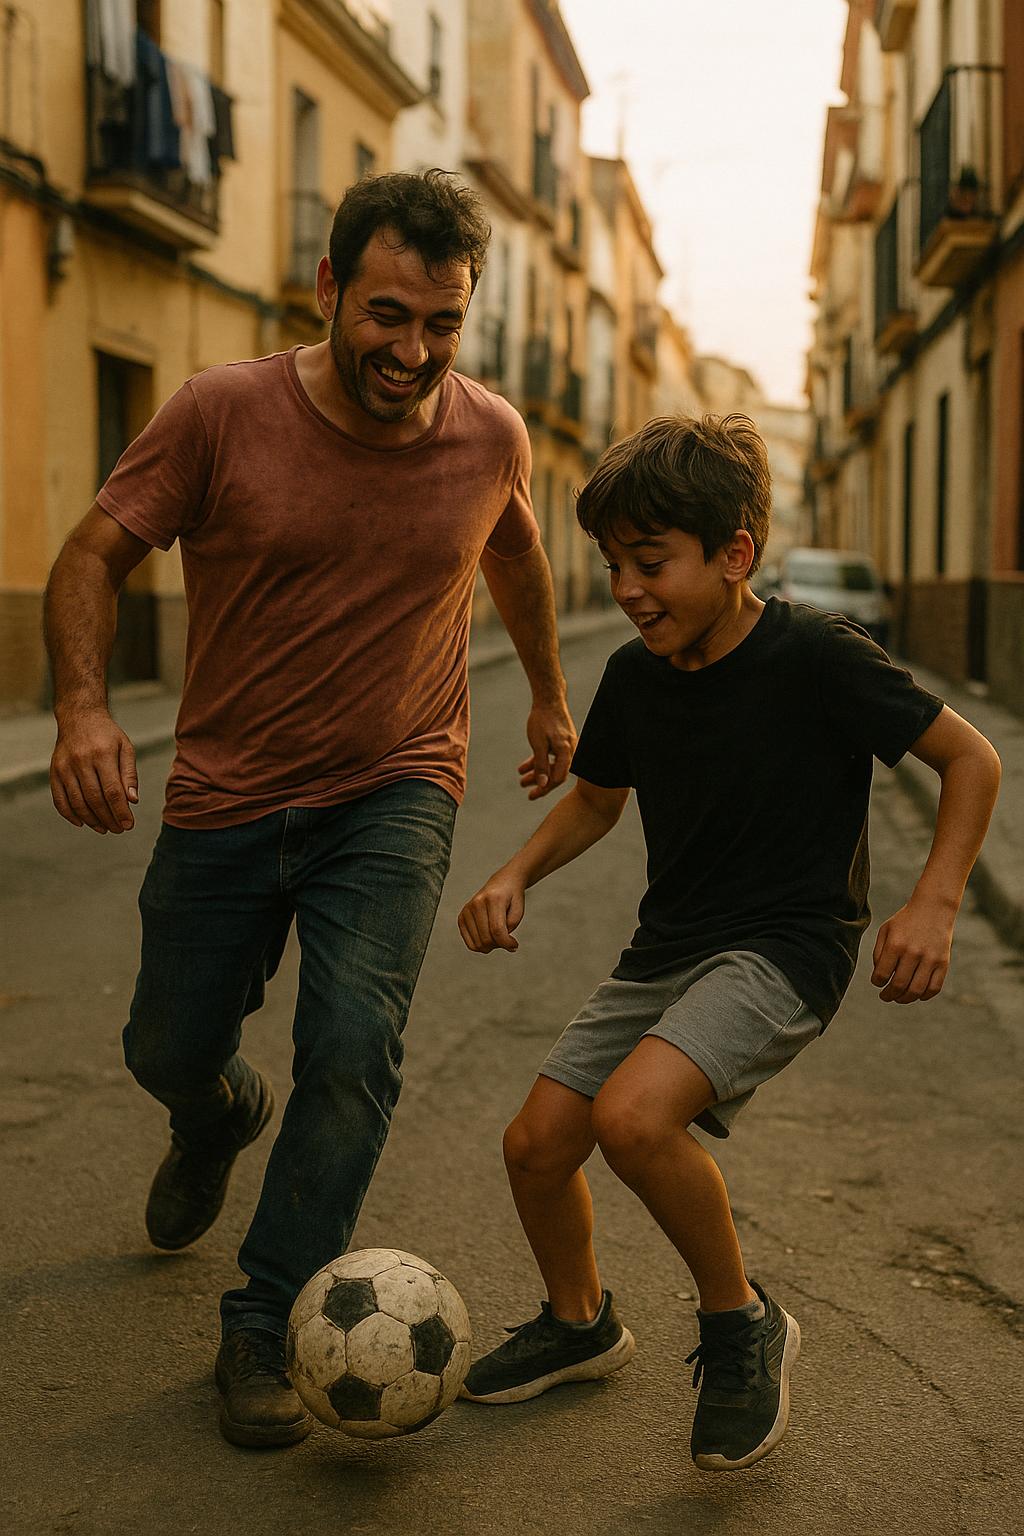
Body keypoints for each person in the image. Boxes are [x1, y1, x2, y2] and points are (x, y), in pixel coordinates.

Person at [44, 170, 576, 1449]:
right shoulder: (220, 413)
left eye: (442, 325)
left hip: (395, 786)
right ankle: (216, 1109)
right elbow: (92, 553)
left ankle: (264, 1315)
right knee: (165, 1044)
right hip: (228, 789)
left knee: (351, 1052)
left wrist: (553, 702)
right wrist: (80, 709)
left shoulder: (490, 435)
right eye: (388, 315)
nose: (413, 351)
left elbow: (515, 548)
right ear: (330, 289)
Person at [456, 413, 1001, 1473]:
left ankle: (739, 1322)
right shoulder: (634, 675)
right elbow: (598, 801)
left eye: (650, 563)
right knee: (535, 1146)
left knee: (634, 1120)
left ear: (734, 554)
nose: (626, 588)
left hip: (787, 947)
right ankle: (579, 1324)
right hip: (670, 945)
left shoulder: (815, 657)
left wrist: (934, 901)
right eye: (614, 564)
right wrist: (513, 872)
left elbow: (970, 759)